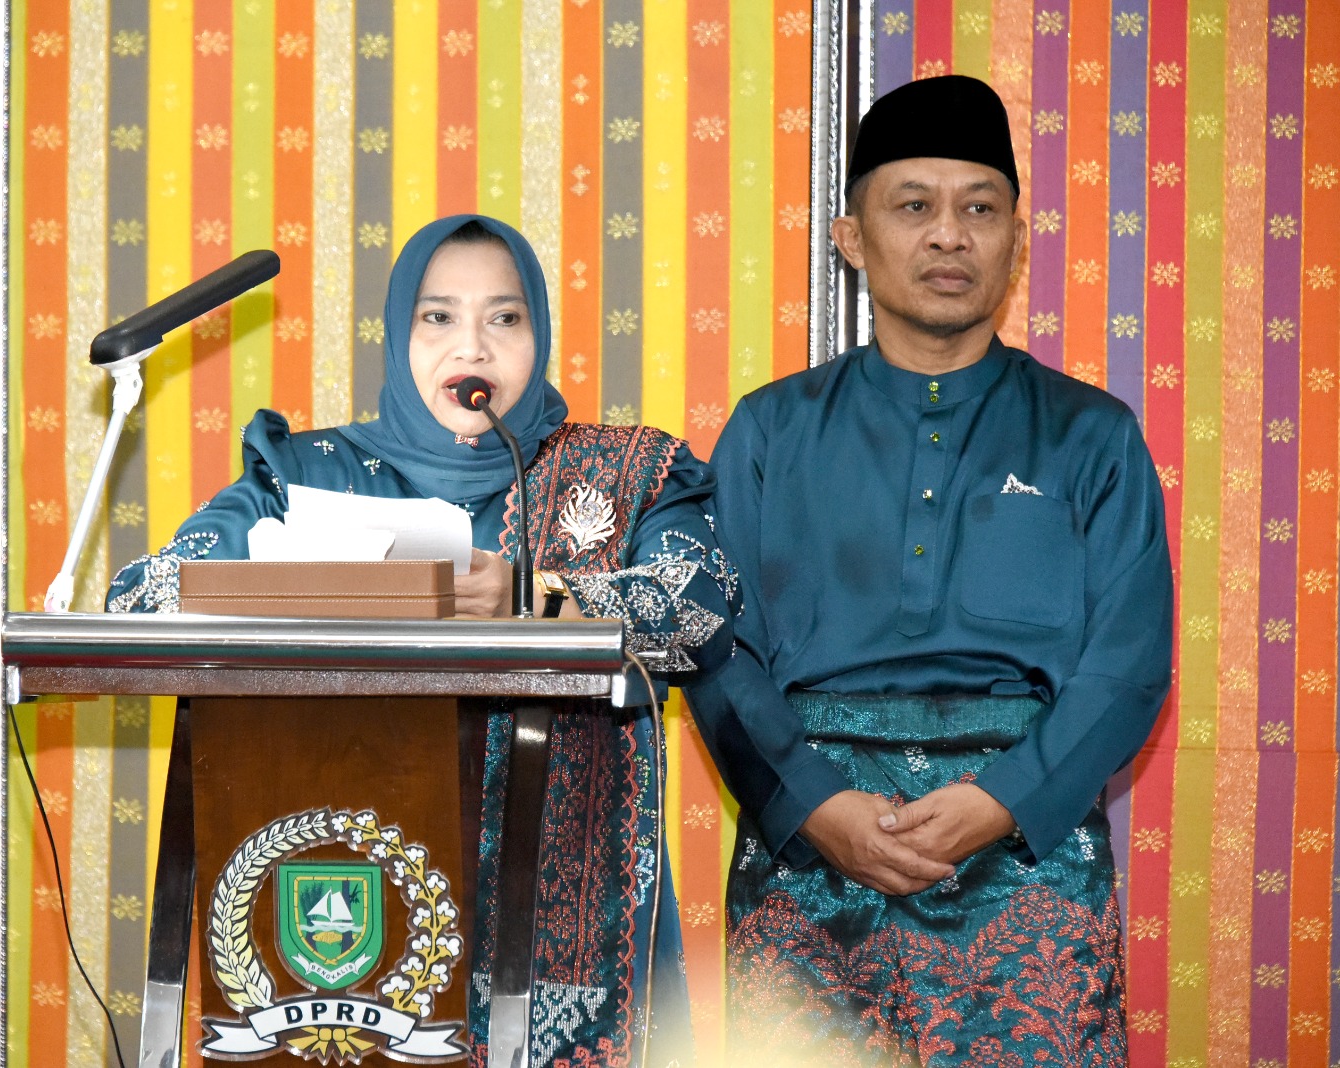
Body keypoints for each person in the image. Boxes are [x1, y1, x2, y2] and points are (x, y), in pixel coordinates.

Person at [109, 214, 739, 1066]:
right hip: (346, 900)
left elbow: (700, 611)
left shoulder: (629, 474)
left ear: (540, 334)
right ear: (397, 334)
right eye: (438, 317)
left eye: (504, 317)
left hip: (563, 936)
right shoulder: (304, 474)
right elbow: (144, 598)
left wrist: (533, 596)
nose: (471, 346)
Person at [684, 75, 1172, 1065]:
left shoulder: (1092, 437)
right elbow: (717, 649)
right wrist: (817, 804)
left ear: (1015, 241)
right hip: (812, 850)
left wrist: (1002, 799)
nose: (948, 235)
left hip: (1027, 856)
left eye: (979, 209)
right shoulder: (769, 431)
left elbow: (1127, 666)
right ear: (851, 237)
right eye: (913, 205)